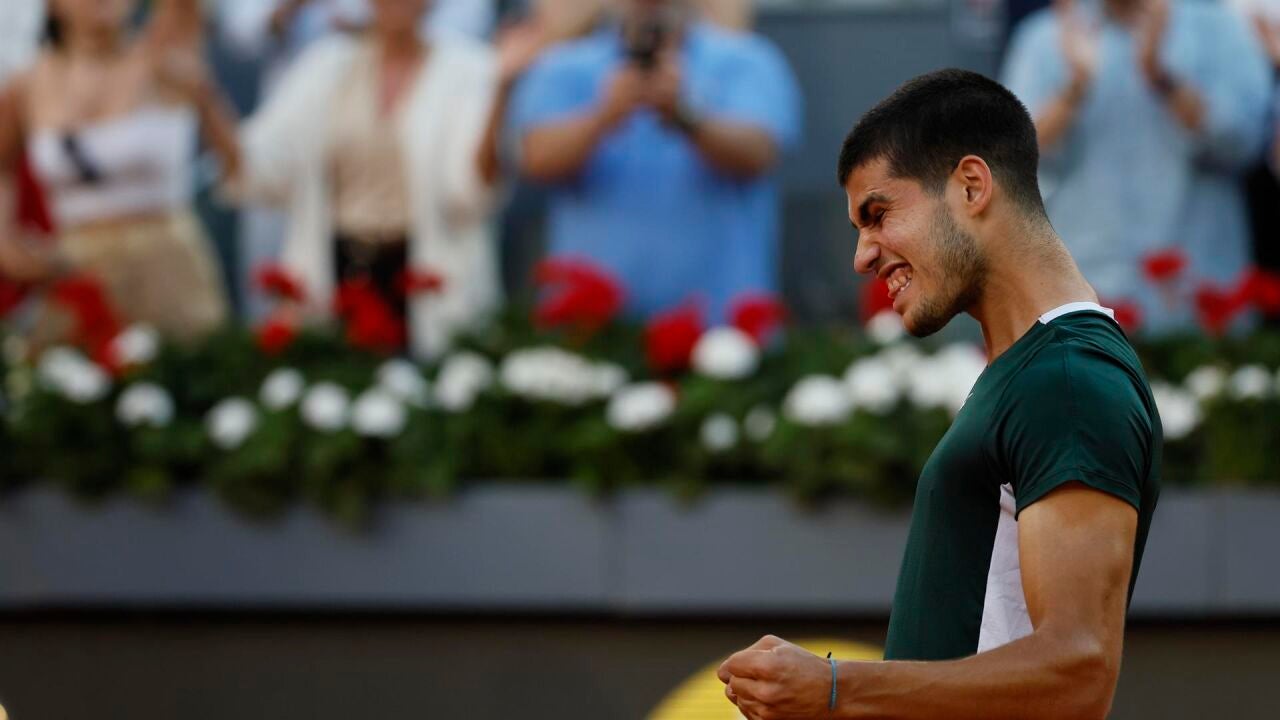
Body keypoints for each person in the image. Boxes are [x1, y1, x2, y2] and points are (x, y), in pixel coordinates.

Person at [718, 70, 1161, 720]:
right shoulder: (1035, 372)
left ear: (971, 186)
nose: (862, 257)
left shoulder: (1067, 382)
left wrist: (838, 691)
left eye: (878, 214)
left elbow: (1079, 669)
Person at [231, 0, 529, 358]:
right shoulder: (325, 66)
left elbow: (470, 191)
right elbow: (262, 165)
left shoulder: (472, 69)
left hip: (425, 287)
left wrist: (502, 92)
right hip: (337, 278)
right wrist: (203, 97)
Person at [507, 0, 801, 323]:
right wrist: (603, 117)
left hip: (723, 335)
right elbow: (536, 159)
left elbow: (759, 153)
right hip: (592, 335)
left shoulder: (748, 60)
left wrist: (686, 115)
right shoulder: (561, 65)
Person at [1001, 0, 1271, 333]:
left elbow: (1245, 146)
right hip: (1084, 295)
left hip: (1201, 300)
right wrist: (1072, 91)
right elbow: (1012, 164)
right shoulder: (1047, 36)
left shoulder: (1220, 30)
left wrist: (1164, 80)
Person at [0, 0, 235, 342]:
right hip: (76, 269)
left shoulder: (165, 60)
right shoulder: (28, 85)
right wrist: (6, 244)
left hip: (168, 265)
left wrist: (205, 97)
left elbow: (235, 161)